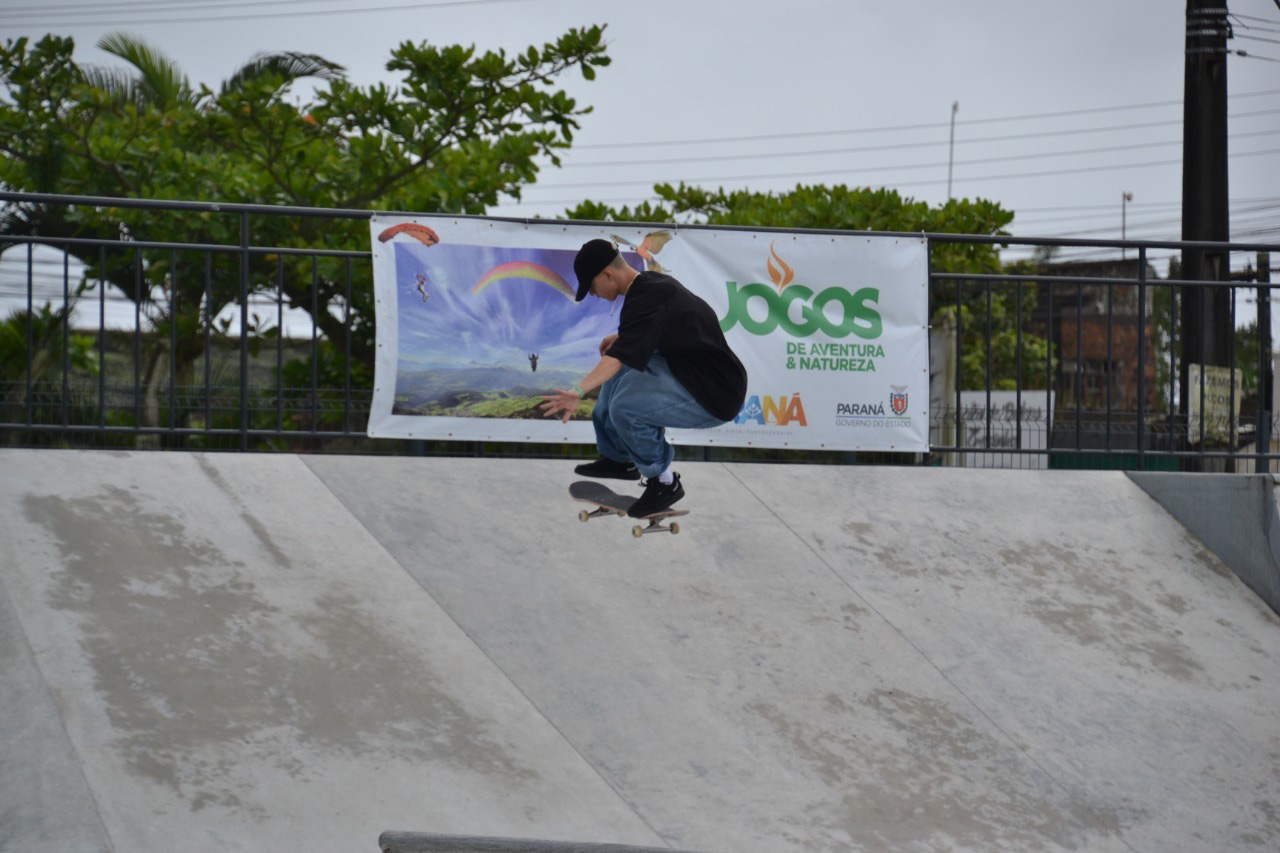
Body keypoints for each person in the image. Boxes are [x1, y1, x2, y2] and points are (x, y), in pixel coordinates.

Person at [541, 238, 748, 518]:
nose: (592, 294)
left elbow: (618, 356)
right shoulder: (648, 286)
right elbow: (660, 325)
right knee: (617, 375)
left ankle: (664, 482)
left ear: (608, 275)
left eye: (591, 287)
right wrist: (622, 337)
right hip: (689, 370)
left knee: (626, 407)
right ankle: (618, 459)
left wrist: (578, 391)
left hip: (714, 393)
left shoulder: (647, 295)